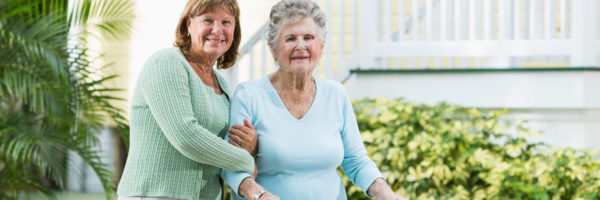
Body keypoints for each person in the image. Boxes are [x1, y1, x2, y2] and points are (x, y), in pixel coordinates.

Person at [221, 0, 408, 199]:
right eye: (290, 38)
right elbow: (231, 165)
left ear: (320, 46)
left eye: (308, 37)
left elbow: (357, 161)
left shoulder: (336, 94)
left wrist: (387, 194)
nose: (300, 46)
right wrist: (259, 194)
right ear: (274, 48)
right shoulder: (249, 95)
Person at [117, 0, 258, 199]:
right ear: (188, 24)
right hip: (155, 194)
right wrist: (247, 161)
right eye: (208, 20)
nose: (217, 30)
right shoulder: (167, 63)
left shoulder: (222, 84)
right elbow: (186, 136)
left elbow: (222, 143)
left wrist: (250, 144)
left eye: (226, 22)